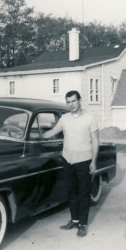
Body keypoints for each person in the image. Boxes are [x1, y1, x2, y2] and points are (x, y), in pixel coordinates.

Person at [42, 90, 99, 237]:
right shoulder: (64, 118)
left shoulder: (90, 119)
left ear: (80, 100)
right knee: (71, 192)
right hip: (67, 160)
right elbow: (53, 131)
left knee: (84, 193)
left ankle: (83, 224)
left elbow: (96, 142)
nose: (71, 104)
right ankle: (74, 220)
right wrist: (38, 137)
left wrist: (93, 161)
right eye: (68, 102)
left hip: (84, 161)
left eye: (73, 101)